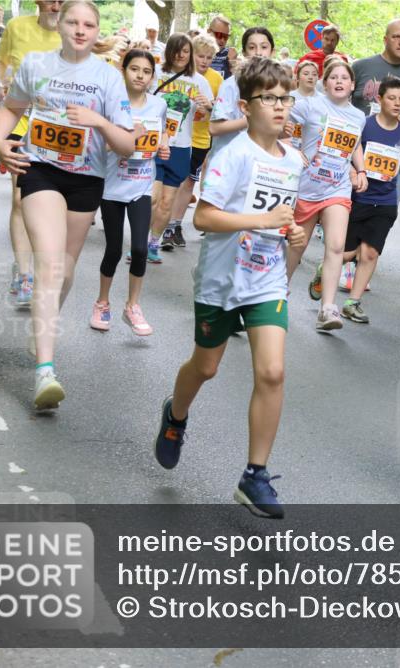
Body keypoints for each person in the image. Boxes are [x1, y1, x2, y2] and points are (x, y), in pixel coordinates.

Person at [153, 57, 305, 520]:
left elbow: (283, 221)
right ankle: (175, 415)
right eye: (270, 99)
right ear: (246, 105)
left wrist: (293, 234)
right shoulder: (232, 155)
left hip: (266, 279)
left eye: (286, 99)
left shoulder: (294, 160)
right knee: (207, 366)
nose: (280, 108)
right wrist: (263, 220)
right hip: (221, 280)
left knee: (273, 372)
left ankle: (254, 474)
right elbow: (204, 217)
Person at [0, 0, 139, 409]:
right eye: (73, 21)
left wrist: (102, 123)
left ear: (97, 33)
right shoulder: (36, 65)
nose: (80, 29)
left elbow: (127, 144)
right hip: (39, 170)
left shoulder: (108, 78)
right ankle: (45, 372)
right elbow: (12, 108)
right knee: (51, 263)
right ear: (60, 24)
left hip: (86, 180)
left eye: (89, 24)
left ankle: (44, 324)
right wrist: (0, 143)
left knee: (66, 271)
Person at [91, 49, 169, 336]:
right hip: (111, 185)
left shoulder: (158, 105)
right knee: (113, 249)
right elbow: (99, 145)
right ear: (123, 70)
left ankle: (132, 306)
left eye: (146, 71)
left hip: (141, 185)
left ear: (152, 76)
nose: (140, 75)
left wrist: (163, 145)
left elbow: (163, 133)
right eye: (134, 69)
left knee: (139, 249)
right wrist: (128, 138)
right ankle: (102, 303)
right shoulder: (111, 104)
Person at [286, 58, 367, 332]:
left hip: (338, 188)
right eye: (334, 77)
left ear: (352, 85)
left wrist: (361, 170)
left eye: (345, 78)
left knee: (335, 246)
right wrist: (290, 148)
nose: (340, 81)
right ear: (325, 82)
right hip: (308, 187)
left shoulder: (358, 117)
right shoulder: (310, 105)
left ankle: (327, 309)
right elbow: (281, 119)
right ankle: (275, 294)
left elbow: (354, 145)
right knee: (297, 245)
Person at [338, 77, 400, 324]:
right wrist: (354, 173)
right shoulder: (364, 126)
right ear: (379, 99)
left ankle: (352, 303)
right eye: (392, 98)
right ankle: (326, 271)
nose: (397, 103)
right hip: (359, 197)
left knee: (370, 253)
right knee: (346, 253)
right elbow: (348, 156)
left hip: (385, 201)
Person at [0, 0, 61, 308]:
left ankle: (42, 268)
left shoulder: (73, 33)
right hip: (22, 124)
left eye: (62, 1)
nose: (56, 5)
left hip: (57, 133)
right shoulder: (17, 27)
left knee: (50, 207)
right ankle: (24, 274)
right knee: (19, 199)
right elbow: (0, 62)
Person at [146, 33, 213, 262]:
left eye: (186, 51)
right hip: (155, 143)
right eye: (177, 50)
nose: (181, 55)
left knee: (167, 202)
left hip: (182, 146)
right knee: (152, 198)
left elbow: (208, 116)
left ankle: (153, 243)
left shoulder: (200, 81)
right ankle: (140, 241)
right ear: (169, 51)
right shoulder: (156, 74)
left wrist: (207, 107)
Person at [160, 33, 222, 252]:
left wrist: (209, 106)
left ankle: (173, 225)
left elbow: (217, 111)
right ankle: (161, 223)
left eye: (209, 57)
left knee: (186, 183)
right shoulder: (166, 73)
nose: (204, 61)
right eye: (200, 56)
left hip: (199, 139)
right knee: (167, 187)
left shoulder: (214, 80)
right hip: (169, 137)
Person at [352, 19, 400, 135]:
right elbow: (339, 101)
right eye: (396, 37)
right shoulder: (360, 67)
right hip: (359, 141)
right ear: (385, 40)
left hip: (397, 146)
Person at [209, 27, 275, 158]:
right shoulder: (231, 85)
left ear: (272, 52)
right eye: (252, 47)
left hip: (258, 165)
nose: (258, 53)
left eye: (264, 47)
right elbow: (214, 128)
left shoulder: (276, 86)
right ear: (244, 52)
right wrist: (251, 119)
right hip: (226, 162)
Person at [289, 60, 319, 150]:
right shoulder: (288, 97)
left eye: (314, 74)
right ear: (297, 78)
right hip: (290, 144)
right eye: (306, 74)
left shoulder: (324, 101)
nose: (310, 77)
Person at [207, 14, 235, 79]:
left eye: (226, 37)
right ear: (209, 32)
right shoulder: (197, 52)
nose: (222, 40)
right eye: (219, 35)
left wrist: (233, 63)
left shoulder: (230, 54)